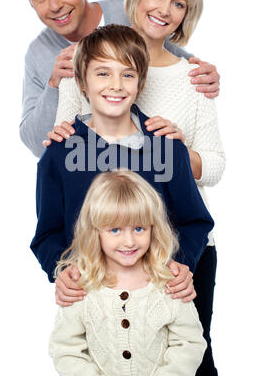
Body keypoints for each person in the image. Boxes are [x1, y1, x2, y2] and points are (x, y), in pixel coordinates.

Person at [48, 0, 225, 376]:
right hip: (103, 247)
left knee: (189, 357)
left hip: (181, 245)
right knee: (105, 354)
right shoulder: (85, 60)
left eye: (179, 3)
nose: (165, 8)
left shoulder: (194, 76)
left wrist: (180, 151)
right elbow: (68, 139)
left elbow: (215, 165)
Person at [30, 24, 214, 296]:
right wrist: (62, 271)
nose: (116, 85)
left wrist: (179, 266)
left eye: (127, 74)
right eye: (103, 73)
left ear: (140, 83)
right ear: (82, 81)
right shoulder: (59, 154)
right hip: (92, 300)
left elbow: (195, 222)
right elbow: (48, 233)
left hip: (159, 297)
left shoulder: (167, 148)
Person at [19, 0, 220, 159]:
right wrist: (53, 85)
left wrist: (199, 71)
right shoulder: (38, 54)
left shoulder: (131, 12)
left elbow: (165, 53)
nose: (55, 5)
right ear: (31, 2)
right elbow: (41, 147)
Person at [49, 169, 207, 376]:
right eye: (115, 230)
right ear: (95, 231)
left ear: (153, 228)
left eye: (139, 228)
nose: (129, 241)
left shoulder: (170, 283)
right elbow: (66, 350)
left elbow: (189, 344)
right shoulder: (81, 286)